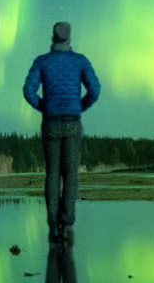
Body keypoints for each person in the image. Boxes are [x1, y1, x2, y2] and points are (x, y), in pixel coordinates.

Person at [22, 20, 100, 243]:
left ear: (52, 37)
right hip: (73, 122)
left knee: (52, 173)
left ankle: (53, 223)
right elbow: (95, 90)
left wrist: (45, 107)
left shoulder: (42, 62)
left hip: (51, 123)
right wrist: (79, 107)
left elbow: (28, 91)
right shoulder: (80, 62)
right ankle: (67, 225)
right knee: (71, 174)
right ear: (69, 38)